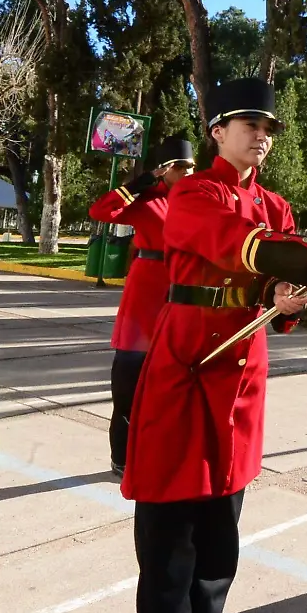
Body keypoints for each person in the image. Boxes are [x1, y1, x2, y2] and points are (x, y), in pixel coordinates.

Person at [122, 78, 307, 613]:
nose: (262, 134)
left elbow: (267, 278)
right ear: (218, 133)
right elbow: (233, 243)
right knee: (170, 523)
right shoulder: (193, 192)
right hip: (186, 363)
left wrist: (288, 296)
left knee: (221, 524)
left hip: (242, 370)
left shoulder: (276, 205)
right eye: (250, 124)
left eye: (269, 127)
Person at [88, 136, 196, 477]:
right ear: (165, 170)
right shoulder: (147, 199)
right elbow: (101, 210)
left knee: (176, 385)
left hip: (185, 293)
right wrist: (141, 183)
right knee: (128, 387)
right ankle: (122, 457)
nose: (188, 173)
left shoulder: (198, 201)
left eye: (191, 167)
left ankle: (163, 452)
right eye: (181, 168)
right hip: (146, 293)